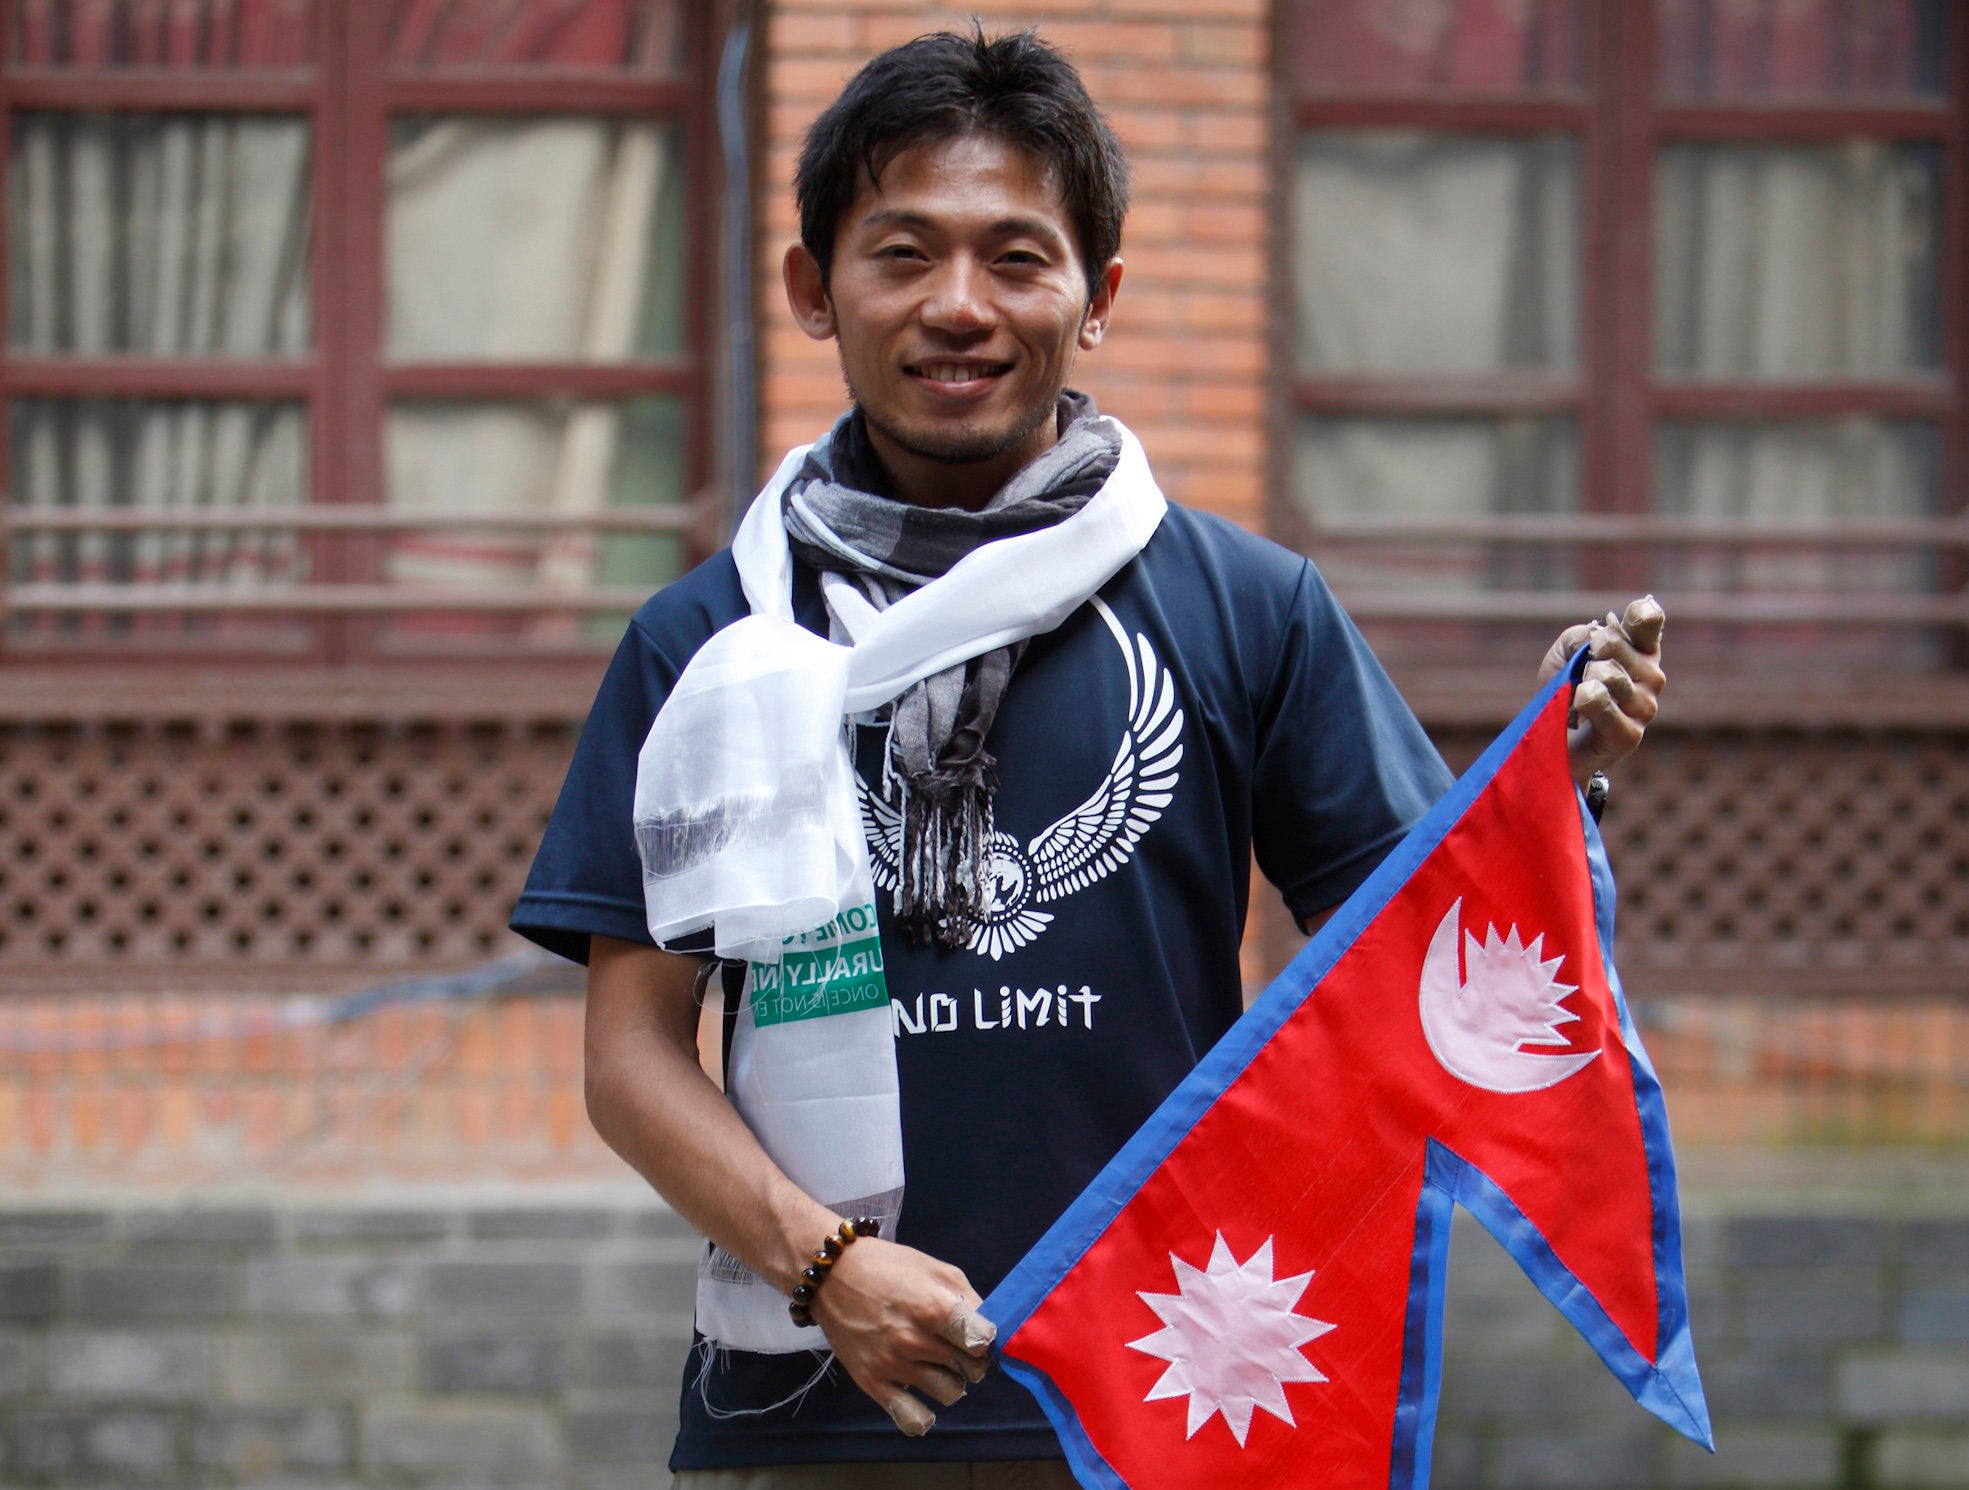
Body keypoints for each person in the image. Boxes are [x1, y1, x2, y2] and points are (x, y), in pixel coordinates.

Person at [511, 27, 1664, 1490]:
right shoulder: (713, 642)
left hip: (1175, 1390)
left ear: (1098, 295)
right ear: (813, 289)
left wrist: (1537, 791)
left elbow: (1423, 965)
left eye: (1016, 258)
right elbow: (628, 1056)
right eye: (902, 253)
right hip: (818, 1407)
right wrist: (830, 1269)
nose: (956, 307)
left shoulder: (1245, 609)